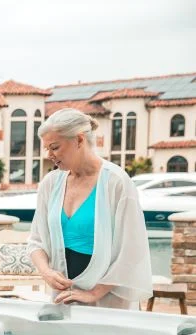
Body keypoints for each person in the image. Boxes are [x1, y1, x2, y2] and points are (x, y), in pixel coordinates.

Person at [28, 108, 152, 309]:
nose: (49, 155)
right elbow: (36, 241)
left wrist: (94, 293)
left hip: (109, 299)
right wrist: (46, 272)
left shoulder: (117, 182)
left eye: (55, 147)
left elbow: (133, 249)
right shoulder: (50, 183)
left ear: (79, 140)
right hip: (64, 298)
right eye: (46, 149)